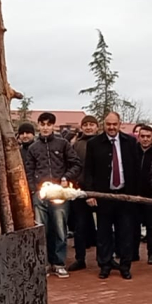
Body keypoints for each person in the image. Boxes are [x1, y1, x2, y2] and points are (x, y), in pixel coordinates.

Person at [23, 112, 82, 277]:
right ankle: (44, 262)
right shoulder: (33, 148)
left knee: (60, 228)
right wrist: (34, 189)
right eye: (43, 124)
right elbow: (28, 170)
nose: (45, 128)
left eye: (49, 124)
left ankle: (58, 262)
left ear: (53, 126)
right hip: (40, 195)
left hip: (59, 194)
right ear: (39, 126)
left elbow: (76, 164)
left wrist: (66, 177)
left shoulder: (63, 144)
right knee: (42, 229)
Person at [83, 112, 140, 279]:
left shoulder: (130, 142)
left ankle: (125, 266)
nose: (112, 127)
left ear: (120, 124)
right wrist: (90, 193)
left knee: (126, 233)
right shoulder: (94, 143)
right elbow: (89, 171)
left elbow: (137, 170)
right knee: (104, 233)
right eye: (109, 124)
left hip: (125, 196)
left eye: (115, 124)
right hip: (104, 196)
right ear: (104, 124)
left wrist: (135, 195)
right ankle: (105, 265)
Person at [68, 115, 99, 272]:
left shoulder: (102, 143)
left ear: (97, 127)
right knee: (80, 227)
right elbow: (74, 166)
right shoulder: (76, 145)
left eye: (91, 125)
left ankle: (103, 258)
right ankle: (80, 259)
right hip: (79, 190)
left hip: (99, 192)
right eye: (85, 125)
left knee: (103, 226)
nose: (88, 127)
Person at [133, 124, 152, 265]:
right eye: (142, 136)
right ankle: (134, 253)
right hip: (134, 195)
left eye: (148, 136)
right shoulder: (132, 151)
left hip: (151, 195)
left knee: (151, 226)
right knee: (133, 225)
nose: (145, 139)